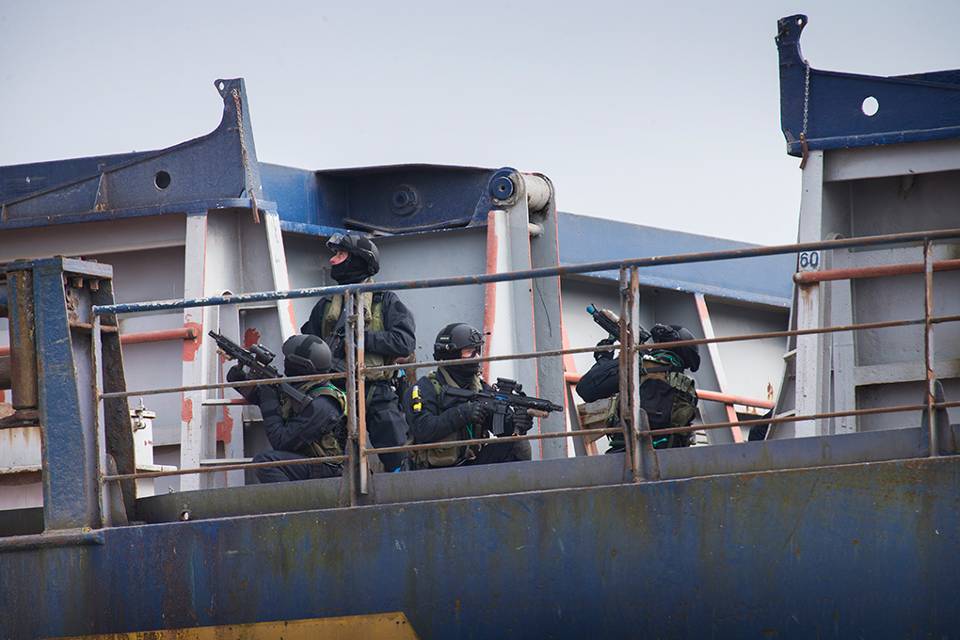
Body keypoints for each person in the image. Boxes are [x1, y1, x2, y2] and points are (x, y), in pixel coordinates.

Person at [301, 233, 415, 472]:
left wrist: (360, 340)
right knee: (327, 453)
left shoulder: (385, 300)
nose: (332, 260)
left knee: (397, 452)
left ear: (358, 259)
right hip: (334, 391)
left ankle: (401, 485)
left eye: (340, 254)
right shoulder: (325, 306)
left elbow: (405, 342)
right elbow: (307, 346)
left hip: (376, 389)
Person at [405, 323, 532, 469]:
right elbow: (423, 429)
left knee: (518, 445)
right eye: (469, 352)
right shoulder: (424, 389)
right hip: (433, 472)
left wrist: (517, 423)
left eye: (478, 351)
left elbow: (500, 429)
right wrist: (462, 413)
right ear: (450, 354)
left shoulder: (479, 388)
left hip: (471, 463)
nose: (476, 357)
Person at [227, 334, 347, 483]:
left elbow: (281, 441)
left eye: (288, 359)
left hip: (328, 467)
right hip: (308, 458)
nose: (285, 362)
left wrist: (268, 394)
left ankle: (294, 498)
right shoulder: (301, 387)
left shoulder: (324, 403)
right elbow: (259, 397)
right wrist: (238, 374)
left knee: (265, 463)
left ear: (302, 366)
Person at [576, 323, 701, 451]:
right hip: (669, 454)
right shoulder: (688, 389)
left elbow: (586, 389)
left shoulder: (641, 366)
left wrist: (603, 358)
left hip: (627, 453)